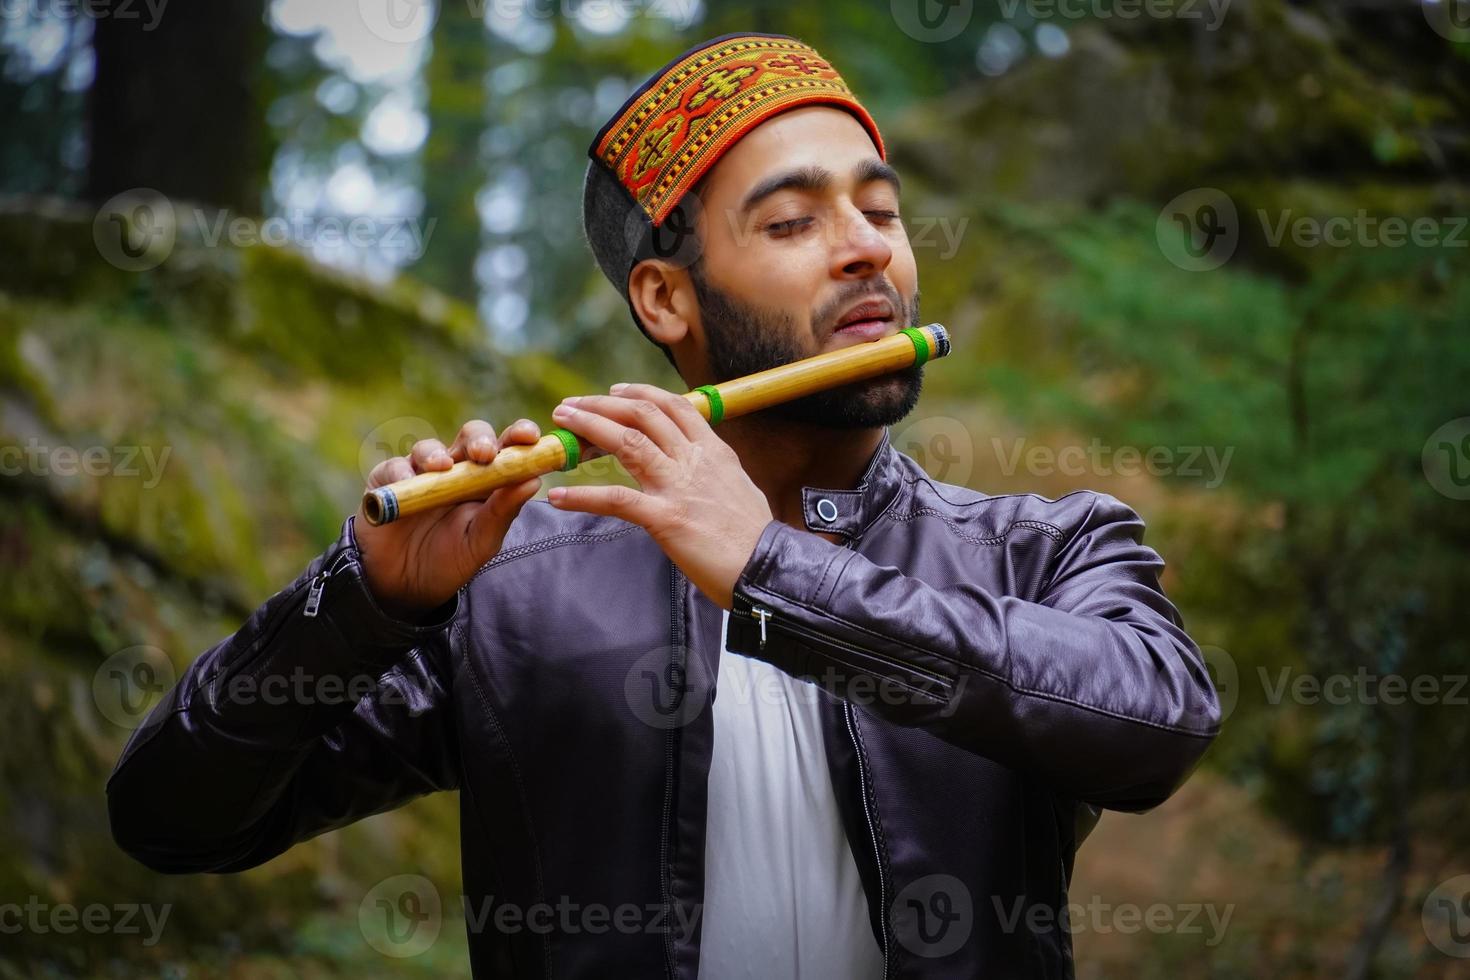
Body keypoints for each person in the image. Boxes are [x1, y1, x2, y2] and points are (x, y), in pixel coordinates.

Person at [107, 32, 1221, 979]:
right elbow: (173, 817)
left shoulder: (1041, 543)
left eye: (882, 210)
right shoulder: (516, 589)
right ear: (666, 298)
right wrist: (363, 604)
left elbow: (1155, 723)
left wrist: (773, 570)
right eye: (792, 224)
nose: (868, 247)